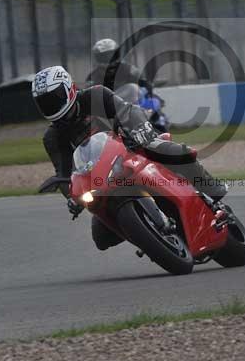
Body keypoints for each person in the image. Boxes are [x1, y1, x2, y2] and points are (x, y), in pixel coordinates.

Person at [32, 65, 226, 250]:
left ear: (70, 88)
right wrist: (72, 197)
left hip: (132, 149)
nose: (52, 105)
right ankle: (149, 236)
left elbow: (127, 111)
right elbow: (65, 173)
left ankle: (210, 188)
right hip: (102, 180)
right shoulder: (52, 137)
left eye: (55, 98)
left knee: (174, 151)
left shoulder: (96, 95)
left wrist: (140, 131)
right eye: (45, 102)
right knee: (100, 238)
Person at [86, 38, 153, 94]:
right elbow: (88, 95)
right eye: (104, 56)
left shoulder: (129, 70)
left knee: (134, 88)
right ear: (98, 57)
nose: (108, 58)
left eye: (111, 55)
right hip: (107, 106)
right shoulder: (93, 76)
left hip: (130, 105)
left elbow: (146, 85)